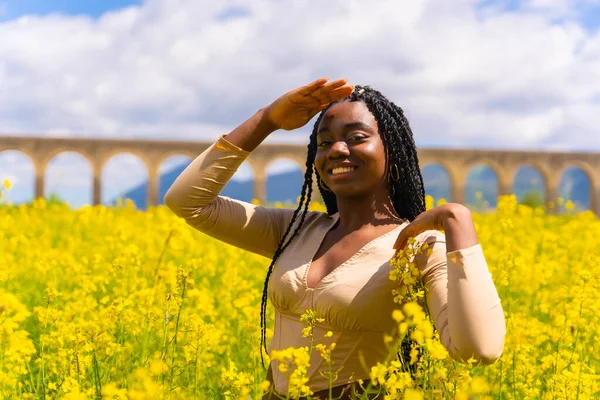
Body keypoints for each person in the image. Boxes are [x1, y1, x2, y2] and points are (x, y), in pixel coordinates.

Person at [164, 77, 506, 399]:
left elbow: (479, 350)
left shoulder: (418, 246)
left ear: (394, 153)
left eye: (356, 137)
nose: (337, 150)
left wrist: (457, 220)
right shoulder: (296, 229)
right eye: (324, 142)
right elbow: (187, 202)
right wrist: (266, 120)